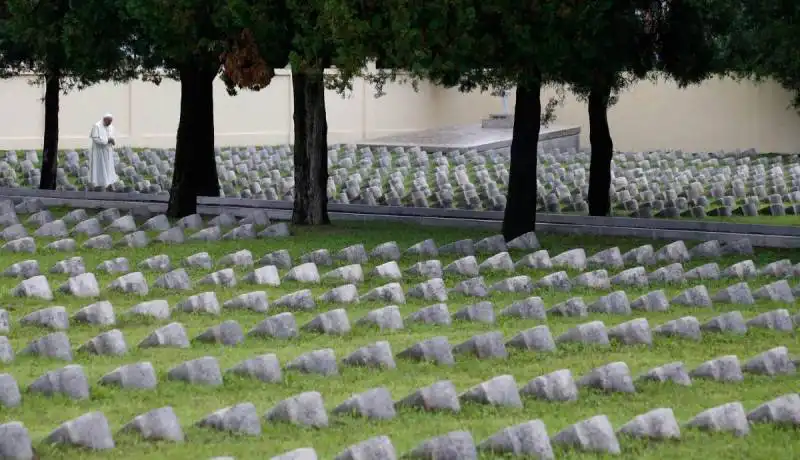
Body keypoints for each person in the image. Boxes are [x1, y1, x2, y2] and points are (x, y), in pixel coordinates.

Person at [89, 113, 119, 188]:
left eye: (111, 122)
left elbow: (113, 136)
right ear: (104, 120)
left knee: (108, 166)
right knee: (100, 167)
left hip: (108, 151)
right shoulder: (97, 126)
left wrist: (113, 141)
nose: (109, 123)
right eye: (108, 122)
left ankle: (109, 182)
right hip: (99, 151)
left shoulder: (111, 127)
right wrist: (106, 140)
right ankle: (99, 183)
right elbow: (95, 138)